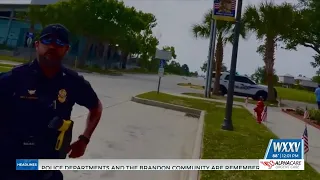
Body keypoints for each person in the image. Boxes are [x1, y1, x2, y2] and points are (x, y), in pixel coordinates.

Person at [0, 24, 103, 180]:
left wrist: (84, 139)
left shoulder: (73, 82)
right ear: (37, 45)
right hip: (10, 168)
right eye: (47, 41)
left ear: (66, 49)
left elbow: (96, 107)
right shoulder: (14, 78)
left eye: (60, 43)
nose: (53, 46)